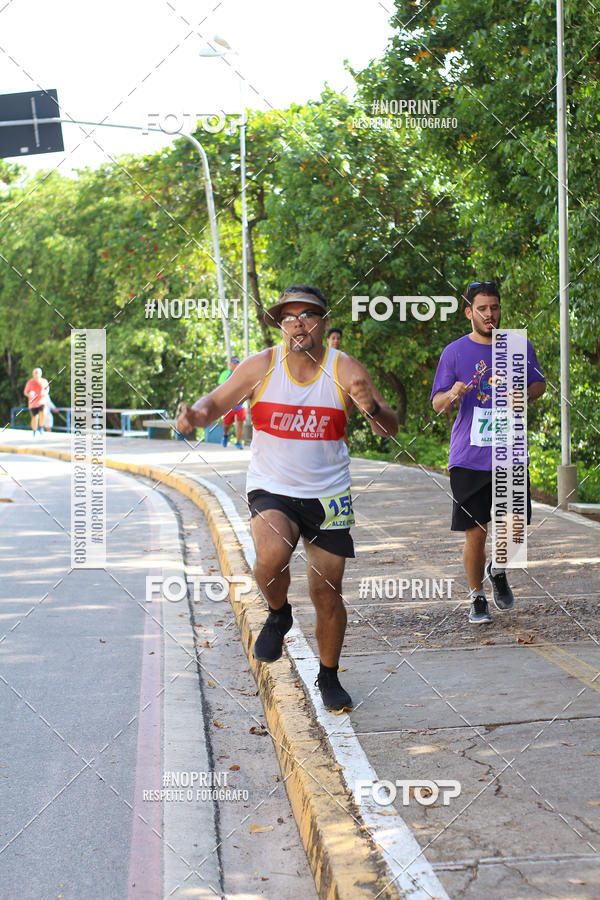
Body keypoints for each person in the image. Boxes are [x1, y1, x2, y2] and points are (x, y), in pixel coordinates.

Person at [177, 285, 398, 710]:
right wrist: (194, 417)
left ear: (324, 323)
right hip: (272, 487)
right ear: (280, 325)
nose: (298, 322)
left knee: (327, 591)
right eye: (289, 316)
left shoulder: (345, 369)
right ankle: (279, 613)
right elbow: (214, 403)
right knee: (271, 558)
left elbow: (388, 428)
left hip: (329, 495)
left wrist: (370, 408)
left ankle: (329, 676)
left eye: (308, 314)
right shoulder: (260, 366)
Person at [431, 281, 546, 624]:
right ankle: (477, 596)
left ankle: (498, 568)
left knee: (515, 529)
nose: (489, 314)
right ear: (469, 312)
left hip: (510, 451)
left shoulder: (517, 346)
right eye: (482, 308)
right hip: (469, 457)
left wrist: (524, 394)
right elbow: (437, 404)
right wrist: (452, 393)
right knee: (476, 533)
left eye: (494, 307)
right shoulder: (453, 352)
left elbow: (539, 383)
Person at [217, 357, 246, 449]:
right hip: (229, 404)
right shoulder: (225, 374)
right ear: (230, 364)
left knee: (240, 422)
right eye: (234, 362)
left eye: (238, 362)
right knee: (226, 425)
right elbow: (220, 387)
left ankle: (238, 442)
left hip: (240, 404)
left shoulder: (242, 374)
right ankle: (225, 435)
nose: (236, 364)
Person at [23, 367, 49, 437]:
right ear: (33, 374)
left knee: (43, 413)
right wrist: (30, 394)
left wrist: (45, 393)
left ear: (41, 374)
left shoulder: (44, 381)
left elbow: (47, 389)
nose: (36, 374)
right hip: (33, 403)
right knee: (35, 417)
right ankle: (34, 430)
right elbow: (25, 392)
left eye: (38, 373)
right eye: (35, 373)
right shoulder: (30, 382)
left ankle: (40, 427)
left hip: (41, 401)